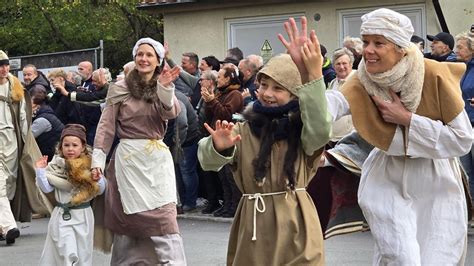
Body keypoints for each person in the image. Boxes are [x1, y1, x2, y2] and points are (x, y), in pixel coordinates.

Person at [320, 9, 471, 264]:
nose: (367, 50)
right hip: (386, 177)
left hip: (435, 180)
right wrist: (310, 82)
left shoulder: (433, 74)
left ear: (400, 48)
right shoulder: (362, 79)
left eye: (378, 43)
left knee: (438, 255)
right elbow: (328, 107)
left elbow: (463, 139)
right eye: (365, 41)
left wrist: (408, 120)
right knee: (401, 256)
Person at [198, 18, 332, 263]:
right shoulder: (243, 129)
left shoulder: (304, 131)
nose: (267, 94)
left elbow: (322, 129)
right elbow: (207, 161)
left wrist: (312, 74)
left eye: (278, 88)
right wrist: (218, 146)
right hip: (253, 227)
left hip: (297, 222)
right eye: (263, 85)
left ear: (294, 94)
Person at [91, 37, 186, 264]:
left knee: (164, 219)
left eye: (149, 55)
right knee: (128, 222)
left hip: (156, 160)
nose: (144, 58)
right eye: (140, 54)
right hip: (128, 161)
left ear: (158, 61)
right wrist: (97, 160)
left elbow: (170, 113)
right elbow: (106, 126)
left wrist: (164, 88)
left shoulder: (163, 84)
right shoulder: (119, 88)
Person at [35, 124, 106, 265]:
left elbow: (101, 190)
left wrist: (98, 178)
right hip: (62, 216)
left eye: (75, 145)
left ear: (83, 147)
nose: (70, 149)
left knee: (82, 255)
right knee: (67, 252)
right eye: (66, 145)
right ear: (61, 147)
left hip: (84, 216)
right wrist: (40, 171)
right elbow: (47, 189)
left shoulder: (91, 167)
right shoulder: (55, 166)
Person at [0, 50, 45, 245]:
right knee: (0, 184)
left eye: (6, 65)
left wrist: (26, 143)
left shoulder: (14, 86)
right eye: (0, 65)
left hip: (11, 140)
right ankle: (10, 226)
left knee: (10, 183)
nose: (3, 69)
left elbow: (23, 117)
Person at [201, 64, 243, 218]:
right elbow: (211, 114)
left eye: (220, 77)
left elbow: (225, 114)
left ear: (228, 78)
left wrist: (212, 101)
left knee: (230, 175)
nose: (217, 79)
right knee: (223, 176)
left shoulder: (235, 94)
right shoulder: (221, 93)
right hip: (218, 139)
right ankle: (227, 204)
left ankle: (235, 206)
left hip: (230, 139)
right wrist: (208, 101)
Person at [456, 31, 474, 218]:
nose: (456, 50)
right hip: (464, 124)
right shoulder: (461, 67)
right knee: (466, 173)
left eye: (460, 47)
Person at [327, 47, 355, 144]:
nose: (341, 67)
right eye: (338, 64)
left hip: (351, 139)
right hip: (333, 139)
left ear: (351, 64)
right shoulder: (332, 83)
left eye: (344, 63)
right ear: (334, 66)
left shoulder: (357, 82)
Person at [30, 86, 64, 162]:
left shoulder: (41, 120)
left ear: (35, 105)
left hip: (50, 157)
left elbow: (26, 138)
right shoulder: (47, 112)